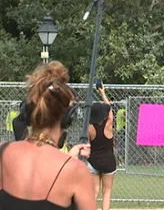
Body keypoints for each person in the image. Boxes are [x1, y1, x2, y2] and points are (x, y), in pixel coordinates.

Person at [0, 61, 95, 210]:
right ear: (68, 117)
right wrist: (71, 164)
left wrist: (70, 158)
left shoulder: (3, 152)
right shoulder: (77, 172)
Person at [88, 83, 116, 210]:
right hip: (108, 162)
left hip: (94, 161)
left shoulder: (89, 128)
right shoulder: (108, 125)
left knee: (94, 191)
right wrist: (102, 93)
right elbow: (110, 111)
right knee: (107, 191)